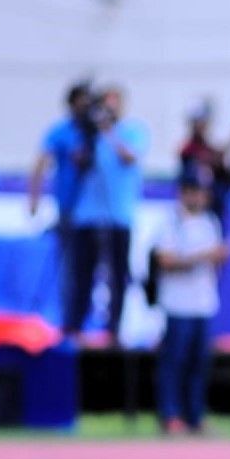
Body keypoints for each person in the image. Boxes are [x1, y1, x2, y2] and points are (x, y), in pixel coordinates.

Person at [64, 85, 149, 346]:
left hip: (118, 215)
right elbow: (77, 161)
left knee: (117, 274)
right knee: (81, 273)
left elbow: (128, 157)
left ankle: (114, 329)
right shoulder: (87, 133)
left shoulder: (133, 130)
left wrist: (107, 130)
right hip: (88, 214)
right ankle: (75, 327)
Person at [153, 169, 230, 435]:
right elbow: (165, 260)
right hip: (178, 306)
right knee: (175, 362)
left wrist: (218, 257)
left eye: (203, 192)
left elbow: (213, 261)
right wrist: (203, 256)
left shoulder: (210, 222)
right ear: (183, 193)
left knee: (199, 364)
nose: (200, 197)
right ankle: (170, 414)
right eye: (195, 192)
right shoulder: (170, 222)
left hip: (203, 304)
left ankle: (195, 415)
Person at [26, 82, 95, 316]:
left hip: (97, 212)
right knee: (69, 266)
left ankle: (88, 315)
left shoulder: (98, 132)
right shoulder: (62, 132)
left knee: (93, 267)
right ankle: (68, 317)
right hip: (69, 208)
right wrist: (34, 199)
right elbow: (40, 164)